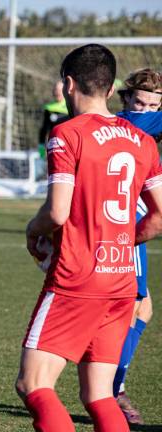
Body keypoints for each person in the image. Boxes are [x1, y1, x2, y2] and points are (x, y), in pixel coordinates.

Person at [17, 44, 162, 432]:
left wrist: (33, 230)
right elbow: (161, 216)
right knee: (99, 394)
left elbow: (57, 212)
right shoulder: (143, 141)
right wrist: (121, 243)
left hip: (76, 279)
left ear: (67, 84)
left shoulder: (66, 134)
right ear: (112, 90)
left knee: (33, 383)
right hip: (121, 282)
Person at [111, 67, 162, 425]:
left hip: (131, 225)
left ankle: (113, 385)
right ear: (126, 100)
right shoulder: (130, 123)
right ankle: (113, 389)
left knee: (142, 309)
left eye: (153, 105)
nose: (145, 110)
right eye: (139, 102)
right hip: (124, 229)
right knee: (134, 309)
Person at [37, 80, 69, 158]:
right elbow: (44, 129)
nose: (57, 92)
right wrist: (41, 148)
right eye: (56, 90)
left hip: (69, 144)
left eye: (59, 90)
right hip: (55, 145)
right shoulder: (49, 108)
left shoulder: (70, 106)